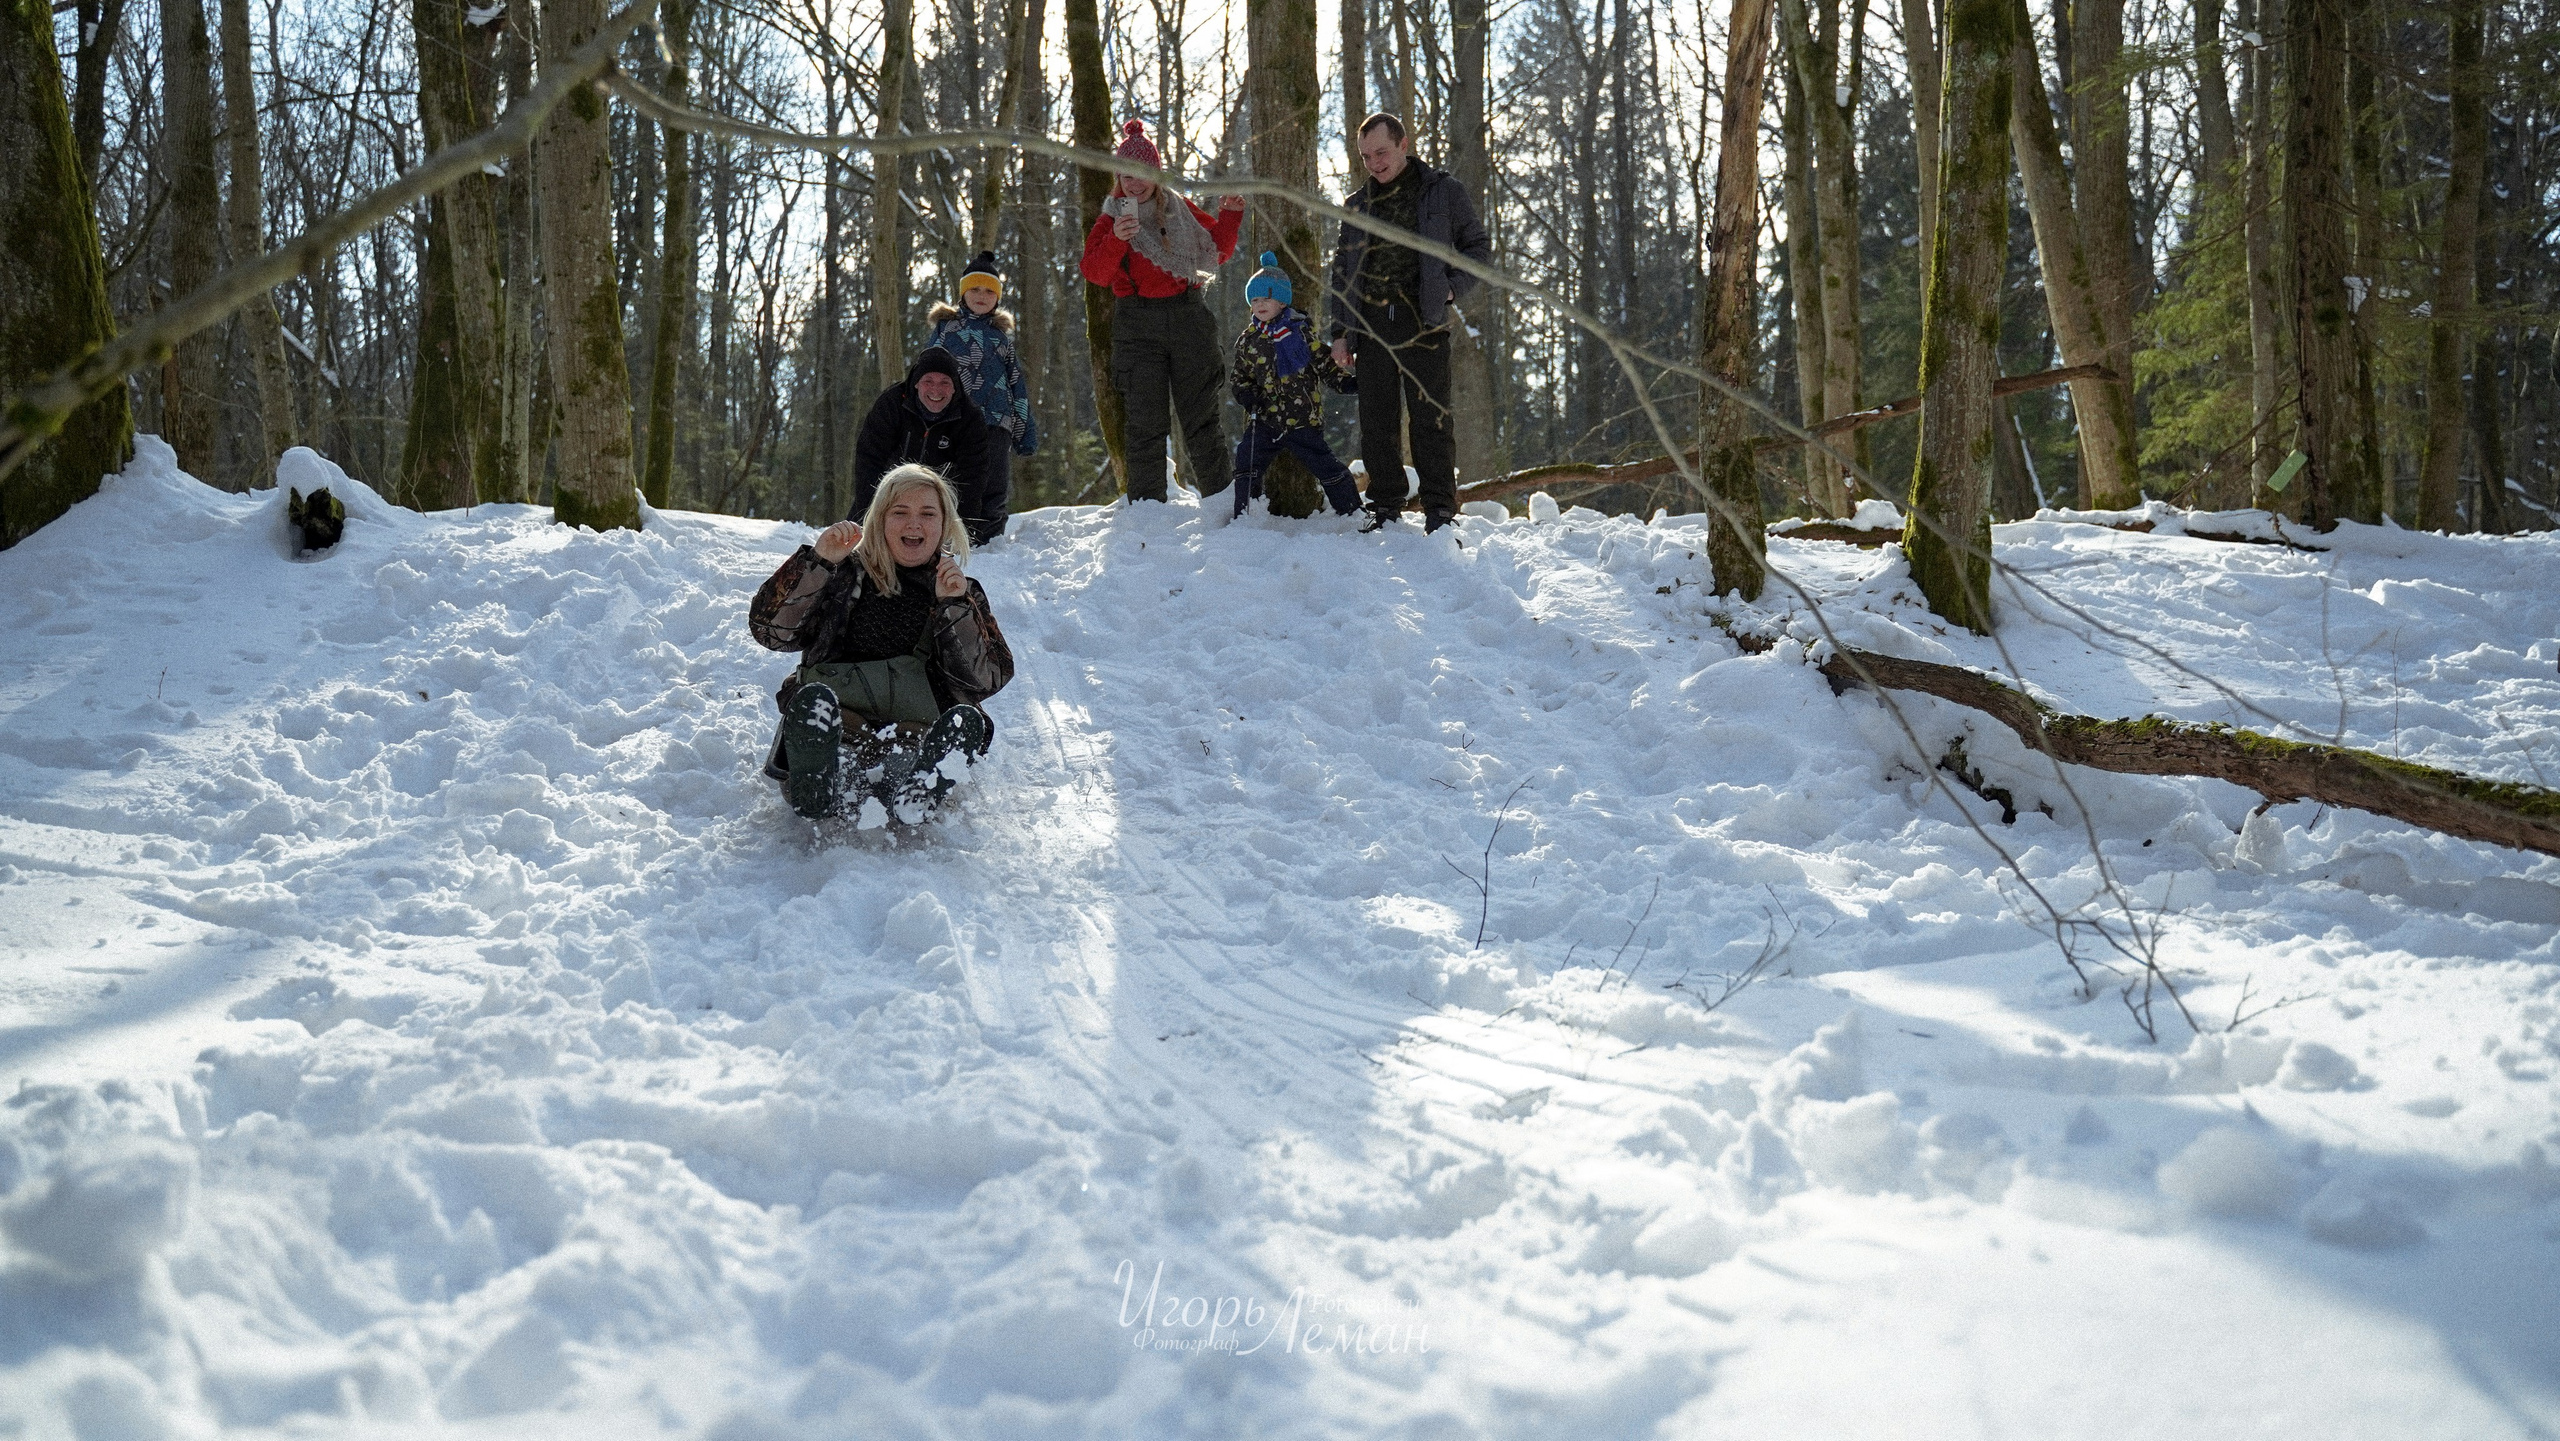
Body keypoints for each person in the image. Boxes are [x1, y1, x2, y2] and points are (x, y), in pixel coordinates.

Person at [750, 464, 1015, 821]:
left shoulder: (959, 591)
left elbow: (987, 679)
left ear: (945, 525)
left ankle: (914, 789)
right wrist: (819, 563)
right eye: (900, 512)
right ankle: (821, 782)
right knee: (831, 740)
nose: (913, 524)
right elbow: (771, 632)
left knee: (911, 755)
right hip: (838, 720)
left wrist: (952, 606)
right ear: (880, 519)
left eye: (927, 513)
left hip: (914, 728)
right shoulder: (841, 572)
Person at [1324, 112, 1493, 534]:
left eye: (1381, 152)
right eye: (1366, 157)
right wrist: (1340, 333)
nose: (1375, 163)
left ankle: (1439, 509)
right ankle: (1384, 505)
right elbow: (1343, 272)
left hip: (1425, 320)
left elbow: (1477, 249)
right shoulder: (1357, 205)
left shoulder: (1442, 192)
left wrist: (1451, 288)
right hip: (1371, 324)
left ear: (1403, 144)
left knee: (1431, 419)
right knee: (1376, 420)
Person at [1078, 118, 1247, 511]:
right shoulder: (1111, 216)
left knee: (1202, 420)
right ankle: (1147, 513)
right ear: (1118, 176)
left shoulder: (1179, 209)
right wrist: (1117, 240)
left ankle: (1223, 508)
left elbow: (1216, 250)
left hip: (1189, 317)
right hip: (1137, 325)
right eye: (1127, 176)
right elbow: (1095, 273)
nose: (1136, 184)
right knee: (1145, 426)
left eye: (1144, 175)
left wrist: (1231, 216)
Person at [1229, 252, 1361, 519]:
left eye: (1266, 298)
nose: (1260, 304)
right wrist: (1247, 394)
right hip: (1265, 419)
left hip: (1302, 419)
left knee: (1326, 466)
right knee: (1247, 460)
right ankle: (1245, 514)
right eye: (1254, 300)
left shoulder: (1300, 334)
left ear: (1281, 301)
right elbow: (1239, 376)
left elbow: (1324, 365)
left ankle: (1352, 511)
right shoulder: (1248, 340)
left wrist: (1350, 384)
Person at [925, 252, 1040, 518]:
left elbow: (1017, 386)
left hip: (997, 421)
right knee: (951, 478)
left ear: (998, 298)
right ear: (962, 293)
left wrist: (1024, 433)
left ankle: (991, 539)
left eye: (989, 291)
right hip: (953, 418)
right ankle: (953, 532)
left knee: (994, 480)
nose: (982, 295)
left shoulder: (1001, 339)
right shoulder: (946, 330)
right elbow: (926, 373)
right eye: (974, 289)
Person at [851, 346, 1005, 545]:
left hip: (938, 501)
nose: (936, 389)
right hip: (891, 492)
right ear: (916, 384)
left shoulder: (970, 418)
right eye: (928, 381)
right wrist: (868, 516)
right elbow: (869, 460)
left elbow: (973, 476)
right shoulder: (891, 404)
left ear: (954, 387)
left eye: (944, 382)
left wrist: (961, 531)